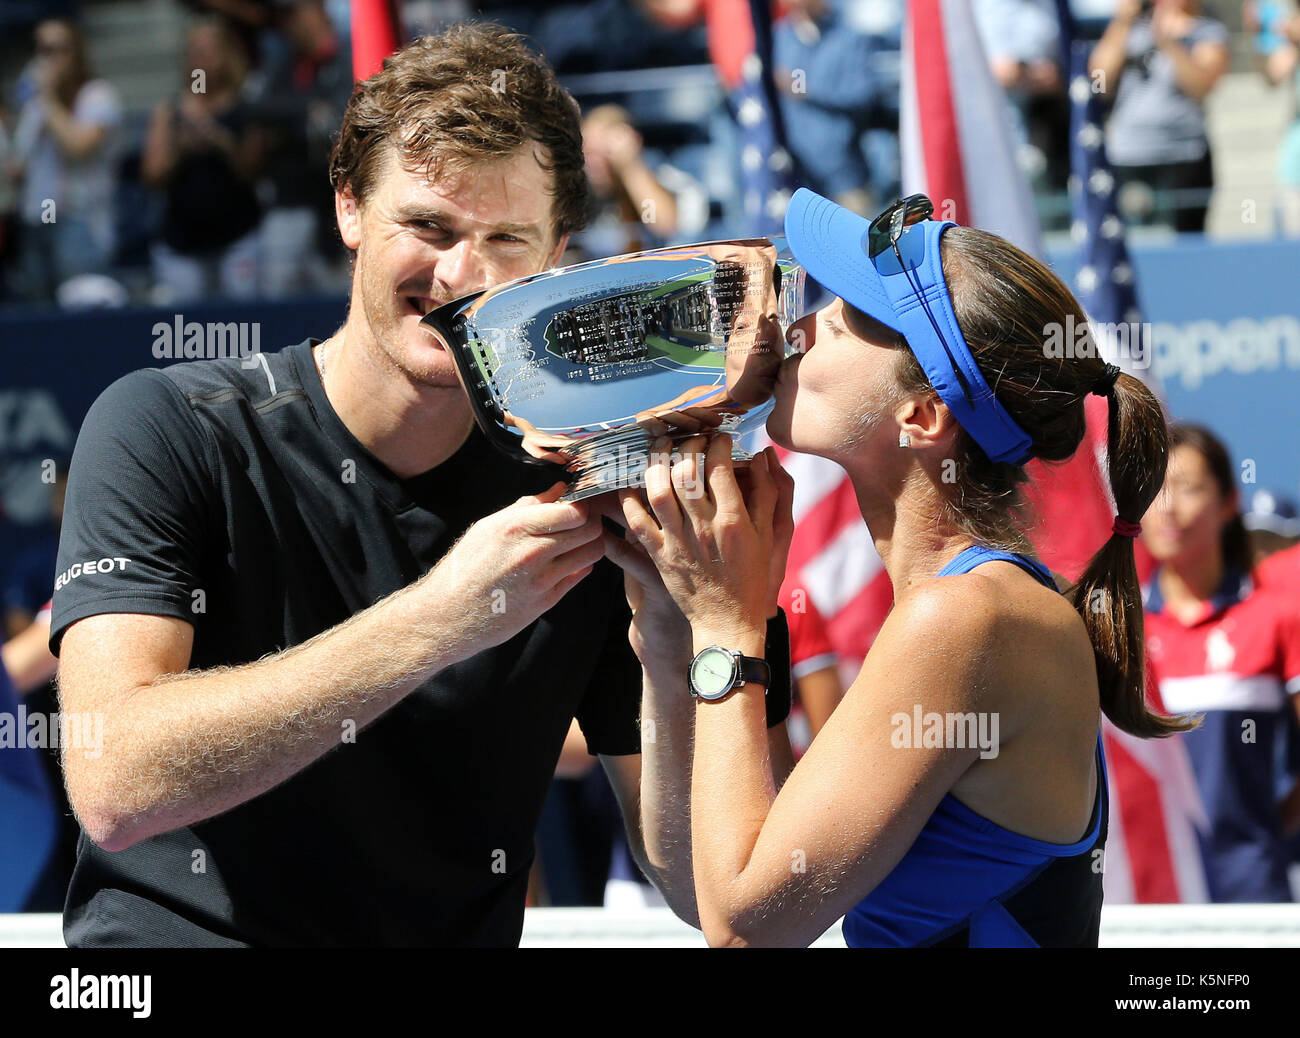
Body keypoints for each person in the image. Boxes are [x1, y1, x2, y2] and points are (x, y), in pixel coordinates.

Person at [51, 24, 751, 948]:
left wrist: (673, 627)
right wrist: (446, 617)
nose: (464, 276)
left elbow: (706, 891)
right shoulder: (168, 424)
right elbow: (115, 783)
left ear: (557, 253)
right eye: (428, 227)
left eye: (507, 237)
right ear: (348, 209)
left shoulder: (586, 485)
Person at [602, 188, 1181, 947]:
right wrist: (676, 626)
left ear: (924, 417)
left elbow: (745, 928)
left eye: (837, 321)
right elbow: (700, 882)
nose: (797, 328)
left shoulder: (969, 617)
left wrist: (727, 626)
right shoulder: (969, 606)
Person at [1139, 424, 1300, 902]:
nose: (1168, 508)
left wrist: (1262, 835)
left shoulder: (1277, 615)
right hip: (1148, 902)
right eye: (1153, 491)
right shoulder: (1119, 628)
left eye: (1189, 489)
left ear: (1229, 503)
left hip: (1252, 894)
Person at [142, 16, 267, 302]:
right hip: (182, 245)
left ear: (226, 54)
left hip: (238, 239)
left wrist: (222, 143)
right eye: (195, 51)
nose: (201, 58)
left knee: (241, 328)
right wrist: (181, 149)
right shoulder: (170, 111)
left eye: (208, 50)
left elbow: (254, 172)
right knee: (189, 333)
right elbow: (151, 175)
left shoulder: (245, 107)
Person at [1089, 0, 1228, 233]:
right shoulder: (1128, 30)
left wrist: (1167, 41)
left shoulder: (1208, 32)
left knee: (1185, 238)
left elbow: (1201, 86)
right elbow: (1099, 82)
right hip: (1131, 154)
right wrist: (1122, 22)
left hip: (1184, 154)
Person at [9, 17, 122, 302]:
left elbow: (79, 147)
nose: (48, 60)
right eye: (42, 50)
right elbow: (19, 165)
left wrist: (47, 95)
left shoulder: (97, 95)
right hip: (37, 219)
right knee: (40, 319)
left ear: (77, 53)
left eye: (57, 49)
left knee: (81, 316)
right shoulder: (36, 104)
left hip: (79, 222)